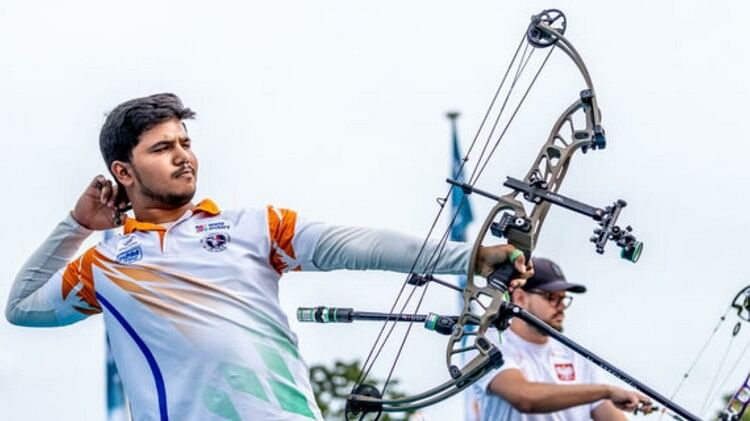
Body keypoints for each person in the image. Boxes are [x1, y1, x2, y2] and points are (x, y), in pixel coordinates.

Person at [5, 93, 531, 421]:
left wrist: (473, 258)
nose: (183, 154)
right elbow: (22, 306)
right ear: (123, 171)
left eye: (184, 141)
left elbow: (358, 244)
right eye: (162, 148)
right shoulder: (105, 263)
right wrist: (76, 226)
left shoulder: (251, 227)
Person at [472, 257, 653, 421]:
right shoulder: (489, 344)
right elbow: (525, 398)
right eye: (551, 297)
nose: (560, 307)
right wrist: (606, 391)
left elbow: (608, 414)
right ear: (519, 297)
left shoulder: (575, 356)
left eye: (563, 299)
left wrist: (611, 396)